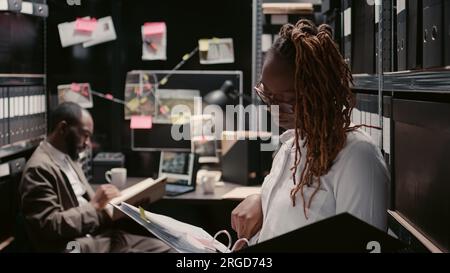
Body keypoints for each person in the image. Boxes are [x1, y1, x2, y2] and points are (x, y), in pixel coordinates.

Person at [231, 19, 390, 245]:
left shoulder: (358, 158)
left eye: (288, 99)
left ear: (318, 92)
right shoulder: (290, 145)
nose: (274, 108)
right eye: (268, 96)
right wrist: (260, 201)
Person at [19, 102, 171, 253]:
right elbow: (48, 226)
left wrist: (123, 208)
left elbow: (87, 206)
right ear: (63, 128)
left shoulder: (68, 157)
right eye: (85, 135)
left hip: (102, 235)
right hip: (80, 245)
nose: (88, 143)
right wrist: (95, 205)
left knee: (173, 250)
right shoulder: (38, 169)